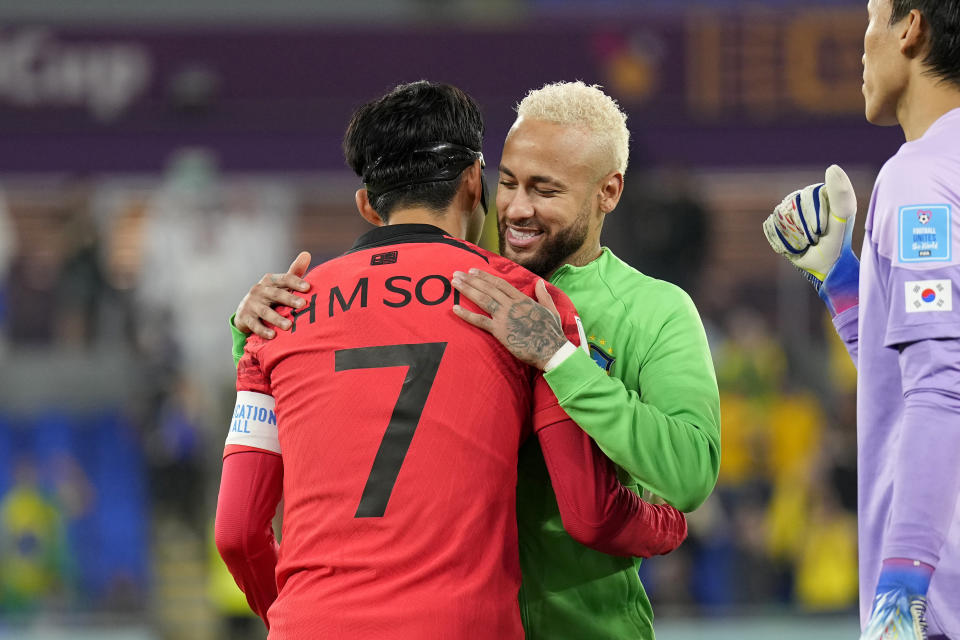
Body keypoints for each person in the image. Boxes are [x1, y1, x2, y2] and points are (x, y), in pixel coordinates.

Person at [235, 81, 721, 638]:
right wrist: (254, 325)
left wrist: (561, 360)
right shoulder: (458, 286)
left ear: (607, 192)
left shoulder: (655, 309)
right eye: (509, 181)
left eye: (545, 190)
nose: (516, 208)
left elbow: (690, 472)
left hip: (587, 628)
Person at [762, 1, 960, 638]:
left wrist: (901, 592)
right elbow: (908, 373)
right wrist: (841, 281)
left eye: (873, 18)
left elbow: (940, 386)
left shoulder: (919, 182)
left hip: (939, 596)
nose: (862, 44)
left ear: (911, 28)